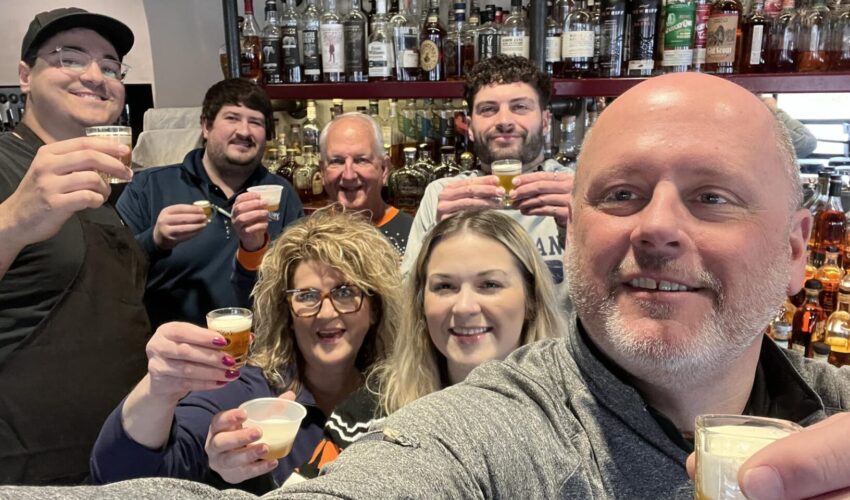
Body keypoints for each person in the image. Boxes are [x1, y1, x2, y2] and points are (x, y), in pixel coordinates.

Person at [89, 210, 400, 494]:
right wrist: (159, 389)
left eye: (345, 292)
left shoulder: (400, 393)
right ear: (287, 313)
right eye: (306, 296)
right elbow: (120, 479)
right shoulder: (249, 392)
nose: (326, 312)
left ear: (374, 308)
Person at [295, 209, 565, 479]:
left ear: (531, 300)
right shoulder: (368, 416)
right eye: (445, 286)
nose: (464, 307)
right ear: (421, 303)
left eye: (489, 284)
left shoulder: (572, 414)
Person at [0, 8, 151, 485]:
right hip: (26, 473)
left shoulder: (105, 184)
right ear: (26, 75)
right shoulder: (5, 163)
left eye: (110, 66)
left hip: (115, 463)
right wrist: (12, 221)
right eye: (70, 58)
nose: (95, 76)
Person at [116, 78, 303, 329]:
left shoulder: (280, 194)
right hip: (172, 346)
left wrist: (256, 247)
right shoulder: (149, 187)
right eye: (232, 118)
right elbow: (111, 274)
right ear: (206, 126)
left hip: (256, 346)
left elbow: (298, 281)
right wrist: (155, 240)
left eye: (256, 122)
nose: (244, 131)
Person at [401, 55, 573, 287]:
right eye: (488, 109)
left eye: (520, 107)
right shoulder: (443, 195)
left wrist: (576, 230)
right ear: (470, 127)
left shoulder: (575, 188)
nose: (504, 121)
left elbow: (611, 295)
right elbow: (405, 297)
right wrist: (439, 237)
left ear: (545, 121)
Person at [319, 112, 413, 256]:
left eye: (361, 160)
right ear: (322, 171)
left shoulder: (414, 234)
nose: (349, 175)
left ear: (384, 169)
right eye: (337, 161)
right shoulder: (301, 238)